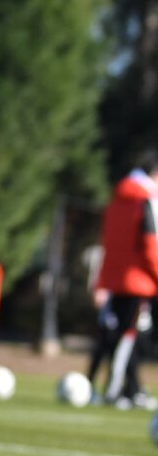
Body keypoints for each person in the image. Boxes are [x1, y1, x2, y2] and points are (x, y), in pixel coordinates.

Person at [91, 152, 158, 410]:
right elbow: (151, 246)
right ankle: (116, 391)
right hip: (140, 282)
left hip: (116, 280)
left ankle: (132, 390)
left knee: (125, 336)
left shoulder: (117, 200)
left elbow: (107, 243)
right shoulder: (145, 201)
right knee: (129, 338)